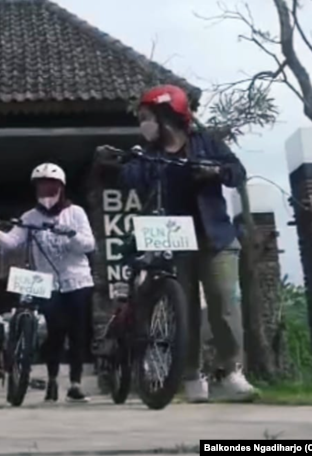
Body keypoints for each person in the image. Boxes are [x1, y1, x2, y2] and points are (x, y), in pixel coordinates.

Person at [98, 84, 258, 403]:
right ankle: (189, 375)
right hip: (175, 238)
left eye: (147, 117)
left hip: (217, 237)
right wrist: (123, 164)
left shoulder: (207, 143)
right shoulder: (148, 154)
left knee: (224, 302)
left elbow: (237, 171)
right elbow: (130, 177)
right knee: (183, 309)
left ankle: (230, 372)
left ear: (167, 116)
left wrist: (215, 171)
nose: (144, 124)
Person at [0, 163, 96, 403]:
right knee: (55, 331)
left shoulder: (76, 213)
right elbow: (12, 242)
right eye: (42, 188)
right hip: (47, 283)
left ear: (61, 189)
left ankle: (76, 383)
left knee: (79, 332)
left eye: (51, 187)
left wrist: (69, 233)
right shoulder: (30, 217)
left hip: (78, 280)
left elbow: (88, 244)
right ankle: (52, 379)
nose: (47, 193)